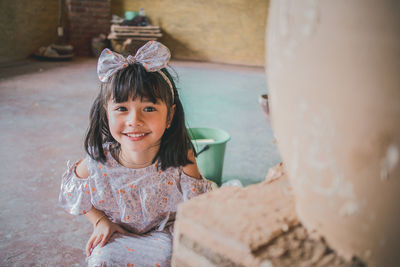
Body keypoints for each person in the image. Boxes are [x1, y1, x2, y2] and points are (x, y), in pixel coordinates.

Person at [59, 41, 213, 266]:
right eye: (121, 109)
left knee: (174, 257)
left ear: (170, 116)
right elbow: (71, 191)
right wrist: (100, 221)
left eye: (149, 108)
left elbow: (199, 205)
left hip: (164, 235)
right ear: (106, 114)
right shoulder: (97, 161)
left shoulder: (181, 157)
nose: (134, 121)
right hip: (118, 235)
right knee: (101, 259)